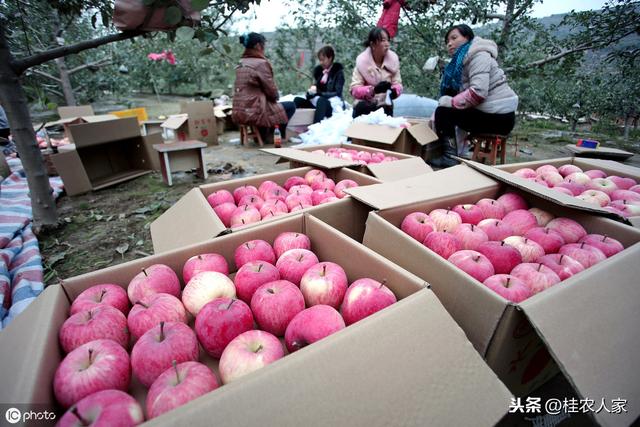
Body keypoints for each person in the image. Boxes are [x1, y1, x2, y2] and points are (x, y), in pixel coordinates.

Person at [431, 24, 518, 168]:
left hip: (500, 118)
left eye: (454, 38)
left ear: (467, 38)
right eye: (447, 41)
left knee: (444, 113)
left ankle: (449, 156)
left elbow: (478, 92)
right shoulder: (462, 62)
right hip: (493, 114)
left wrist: (450, 102)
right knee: (443, 111)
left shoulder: (479, 55)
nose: (450, 43)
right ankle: (455, 153)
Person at [232, 32, 295, 143]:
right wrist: (275, 97)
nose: (264, 49)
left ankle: (261, 135)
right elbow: (271, 89)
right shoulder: (260, 63)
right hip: (254, 109)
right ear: (258, 46)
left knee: (270, 105)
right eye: (263, 45)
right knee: (290, 106)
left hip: (239, 109)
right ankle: (274, 136)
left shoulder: (241, 62)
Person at [350, 27, 403, 118]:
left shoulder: (393, 61)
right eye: (383, 40)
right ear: (373, 44)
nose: (387, 44)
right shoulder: (362, 62)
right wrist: (373, 90)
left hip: (385, 106)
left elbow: (398, 84)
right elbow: (354, 89)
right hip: (364, 107)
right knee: (362, 107)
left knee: (386, 109)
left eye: (388, 40)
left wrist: (394, 91)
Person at [293, 46, 345, 123]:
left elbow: (338, 92)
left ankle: (315, 126)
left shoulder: (338, 73)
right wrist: (311, 93)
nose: (321, 62)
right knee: (297, 100)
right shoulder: (320, 72)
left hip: (332, 103)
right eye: (320, 60)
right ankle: (288, 126)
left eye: (323, 60)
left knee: (321, 101)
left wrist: (320, 94)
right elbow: (316, 87)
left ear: (330, 58)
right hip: (319, 100)